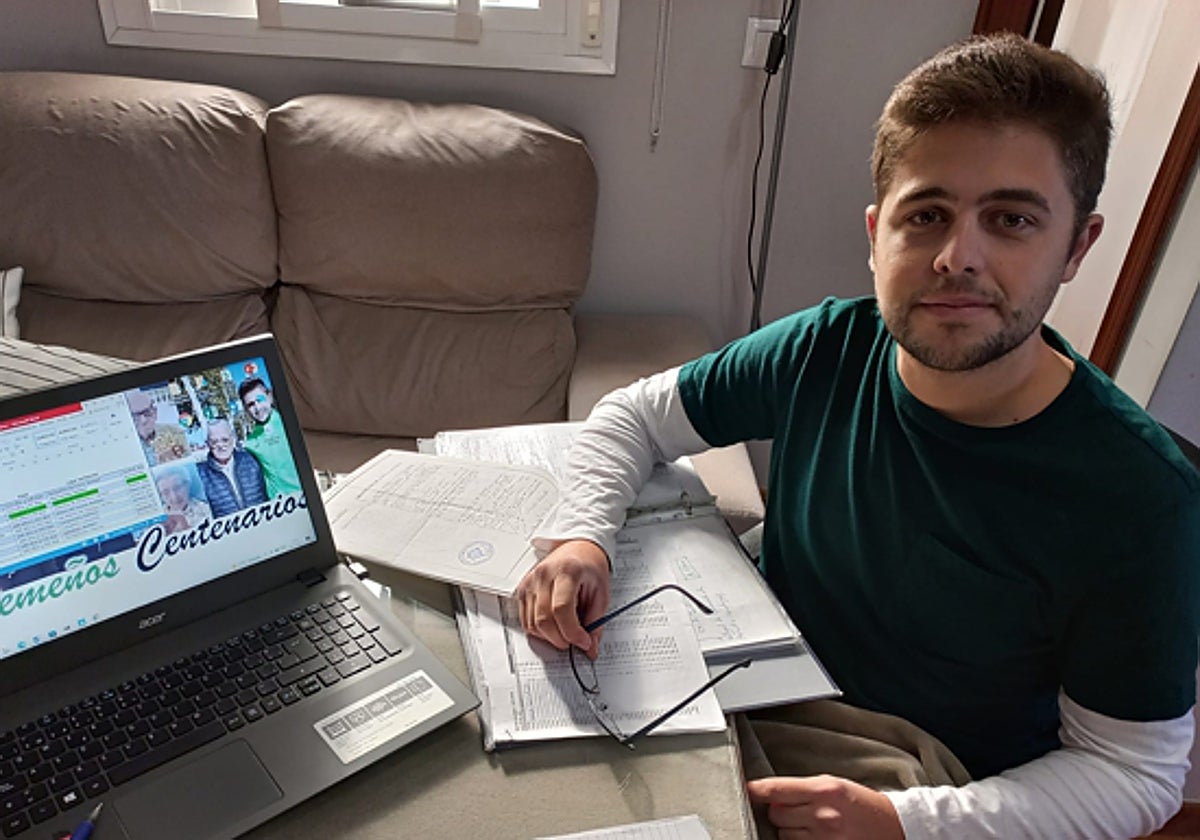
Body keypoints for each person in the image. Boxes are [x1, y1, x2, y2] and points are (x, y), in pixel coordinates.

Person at [516, 33, 1200, 840]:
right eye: (928, 215)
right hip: (742, 690)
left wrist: (904, 822)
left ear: (1077, 247)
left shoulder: (1140, 499)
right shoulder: (825, 348)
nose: (957, 258)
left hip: (927, 780)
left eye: (1011, 219)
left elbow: (1135, 773)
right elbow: (633, 416)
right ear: (877, 234)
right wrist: (583, 540)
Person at [238, 377, 302, 499]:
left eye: (260, 399)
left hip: (304, 497)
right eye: (251, 404)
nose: (257, 408)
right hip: (280, 507)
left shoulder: (291, 423)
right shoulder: (250, 442)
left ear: (269, 397)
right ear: (246, 409)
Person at [195, 418, 268, 518]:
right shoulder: (200, 475)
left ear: (233, 438)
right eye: (214, 442)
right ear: (207, 444)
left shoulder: (252, 460)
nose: (220, 445)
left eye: (225, 440)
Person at [125, 389, 187, 465]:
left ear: (155, 412)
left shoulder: (176, 433)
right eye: (135, 416)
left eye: (147, 413)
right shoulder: (125, 445)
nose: (143, 420)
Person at [155, 464, 213, 534]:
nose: (174, 497)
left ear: (187, 485)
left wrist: (185, 526)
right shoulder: (156, 517)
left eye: (177, 488)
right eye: (165, 492)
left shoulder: (206, 510)